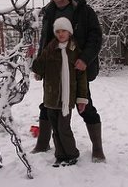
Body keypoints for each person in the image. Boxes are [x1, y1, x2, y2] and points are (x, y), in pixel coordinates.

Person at [31, 0, 106, 162]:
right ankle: (42, 143)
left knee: (85, 105)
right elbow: (45, 41)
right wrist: (40, 66)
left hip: (76, 66)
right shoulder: (49, 12)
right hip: (53, 68)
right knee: (47, 105)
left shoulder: (83, 10)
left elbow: (95, 37)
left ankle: (97, 148)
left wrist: (85, 59)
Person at [32, 17, 88, 167]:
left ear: (69, 32)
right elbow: (39, 68)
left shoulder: (75, 50)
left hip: (67, 97)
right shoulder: (50, 48)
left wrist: (82, 98)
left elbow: (81, 76)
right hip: (51, 96)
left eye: (64, 31)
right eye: (58, 31)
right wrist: (35, 60)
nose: (61, 34)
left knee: (64, 128)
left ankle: (72, 154)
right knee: (55, 129)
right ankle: (60, 155)